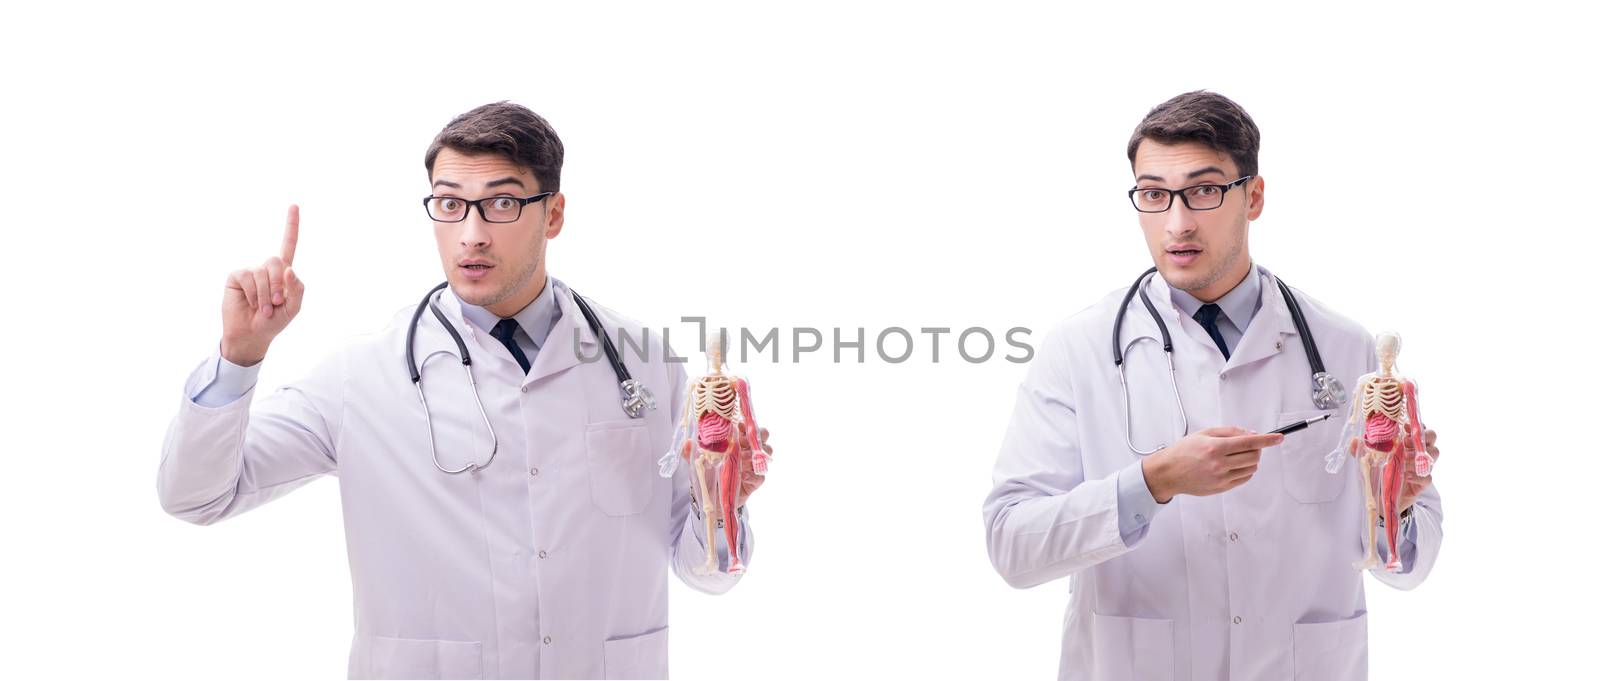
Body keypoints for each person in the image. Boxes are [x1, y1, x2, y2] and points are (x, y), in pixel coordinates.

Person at [158, 101, 770, 679]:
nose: (471, 234)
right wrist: (241, 356)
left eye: (500, 204)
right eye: (450, 205)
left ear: (552, 214)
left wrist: (725, 500)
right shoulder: (361, 377)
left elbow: (708, 573)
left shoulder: (643, 364)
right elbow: (195, 497)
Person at [982, 91, 1443, 681]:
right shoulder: (1081, 348)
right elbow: (1012, 547)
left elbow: (1411, 565)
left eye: (1203, 190)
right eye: (1153, 194)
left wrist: (1395, 503)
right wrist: (1153, 483)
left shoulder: (1345, 348)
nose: (1176, 222)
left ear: (1253, 197)